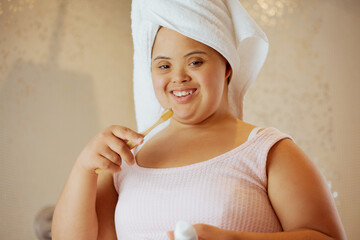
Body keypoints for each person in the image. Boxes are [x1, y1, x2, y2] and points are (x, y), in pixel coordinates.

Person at [52, 1, 347, 240]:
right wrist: (84, 167)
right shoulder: (125, 160)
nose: (178, 77)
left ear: (227, 66)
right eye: (163, 65)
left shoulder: (268, 151)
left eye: (195, 61)